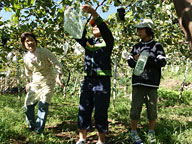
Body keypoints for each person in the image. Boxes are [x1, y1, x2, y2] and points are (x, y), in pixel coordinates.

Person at [75, 5, 114, 144]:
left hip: (102, 81)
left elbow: (104, 29)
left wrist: (93, 13)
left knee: (100, 111)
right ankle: (82, 138)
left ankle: (101, 140)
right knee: (83, 108)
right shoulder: (89, 43)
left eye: (96, 25)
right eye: (92, 26)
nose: (94, 27)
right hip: (88, 80)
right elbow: (77, 34)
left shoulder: (108, 42)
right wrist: (77, 16)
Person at [127, 19, 166, 144]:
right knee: (135, 109)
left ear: (148, 30)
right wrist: (135, 58)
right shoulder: (136, 46)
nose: (138, 31)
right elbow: (130, 63)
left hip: (151, 83)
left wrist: (147, 57)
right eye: (138, 29)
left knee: (152, 109)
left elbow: (162, 62)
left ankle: (151, 132)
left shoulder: (156, 46)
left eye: (141, 29)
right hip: (138, 82)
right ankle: (133, 132)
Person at [21, 32, 63, 134]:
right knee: (28, 105)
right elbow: (28, 72)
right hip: (35, 82)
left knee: (43, 104)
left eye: (32, 40)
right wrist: (27, 82)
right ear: (24, 44)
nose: (30, 43)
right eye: (27, 41)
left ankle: (39, 130)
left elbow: (56, 63)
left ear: (35, 41)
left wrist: (58, 76)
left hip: (48, 81)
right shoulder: (26, 57)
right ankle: (32, 126)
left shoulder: (45, 52)